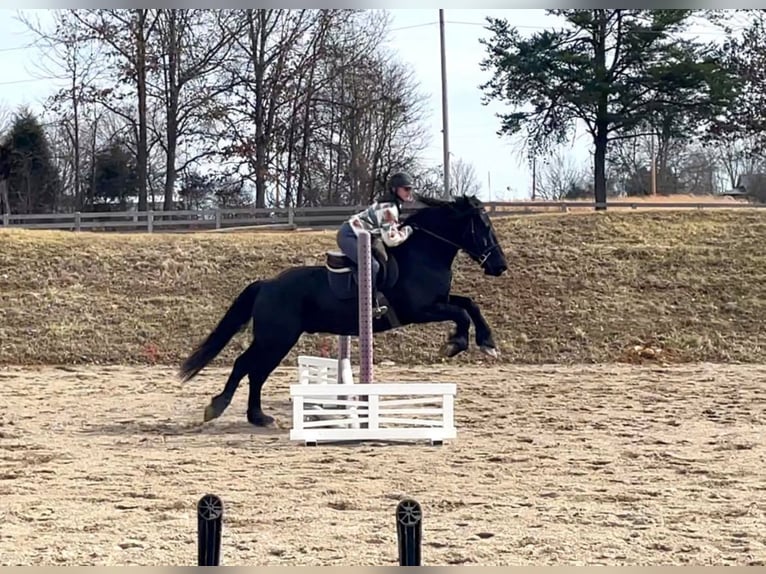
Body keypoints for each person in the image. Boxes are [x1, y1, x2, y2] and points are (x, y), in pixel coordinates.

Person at [336, 171, 417, 318]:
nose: (409, 192)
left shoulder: (392, 205)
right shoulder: (388, 209)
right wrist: (408, 230)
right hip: (349, 236)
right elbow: (391, 240)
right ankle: (368, 305)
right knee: (372, 266)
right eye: (406, 188)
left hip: (361, 235)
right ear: (394, 189)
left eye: (410, 188)